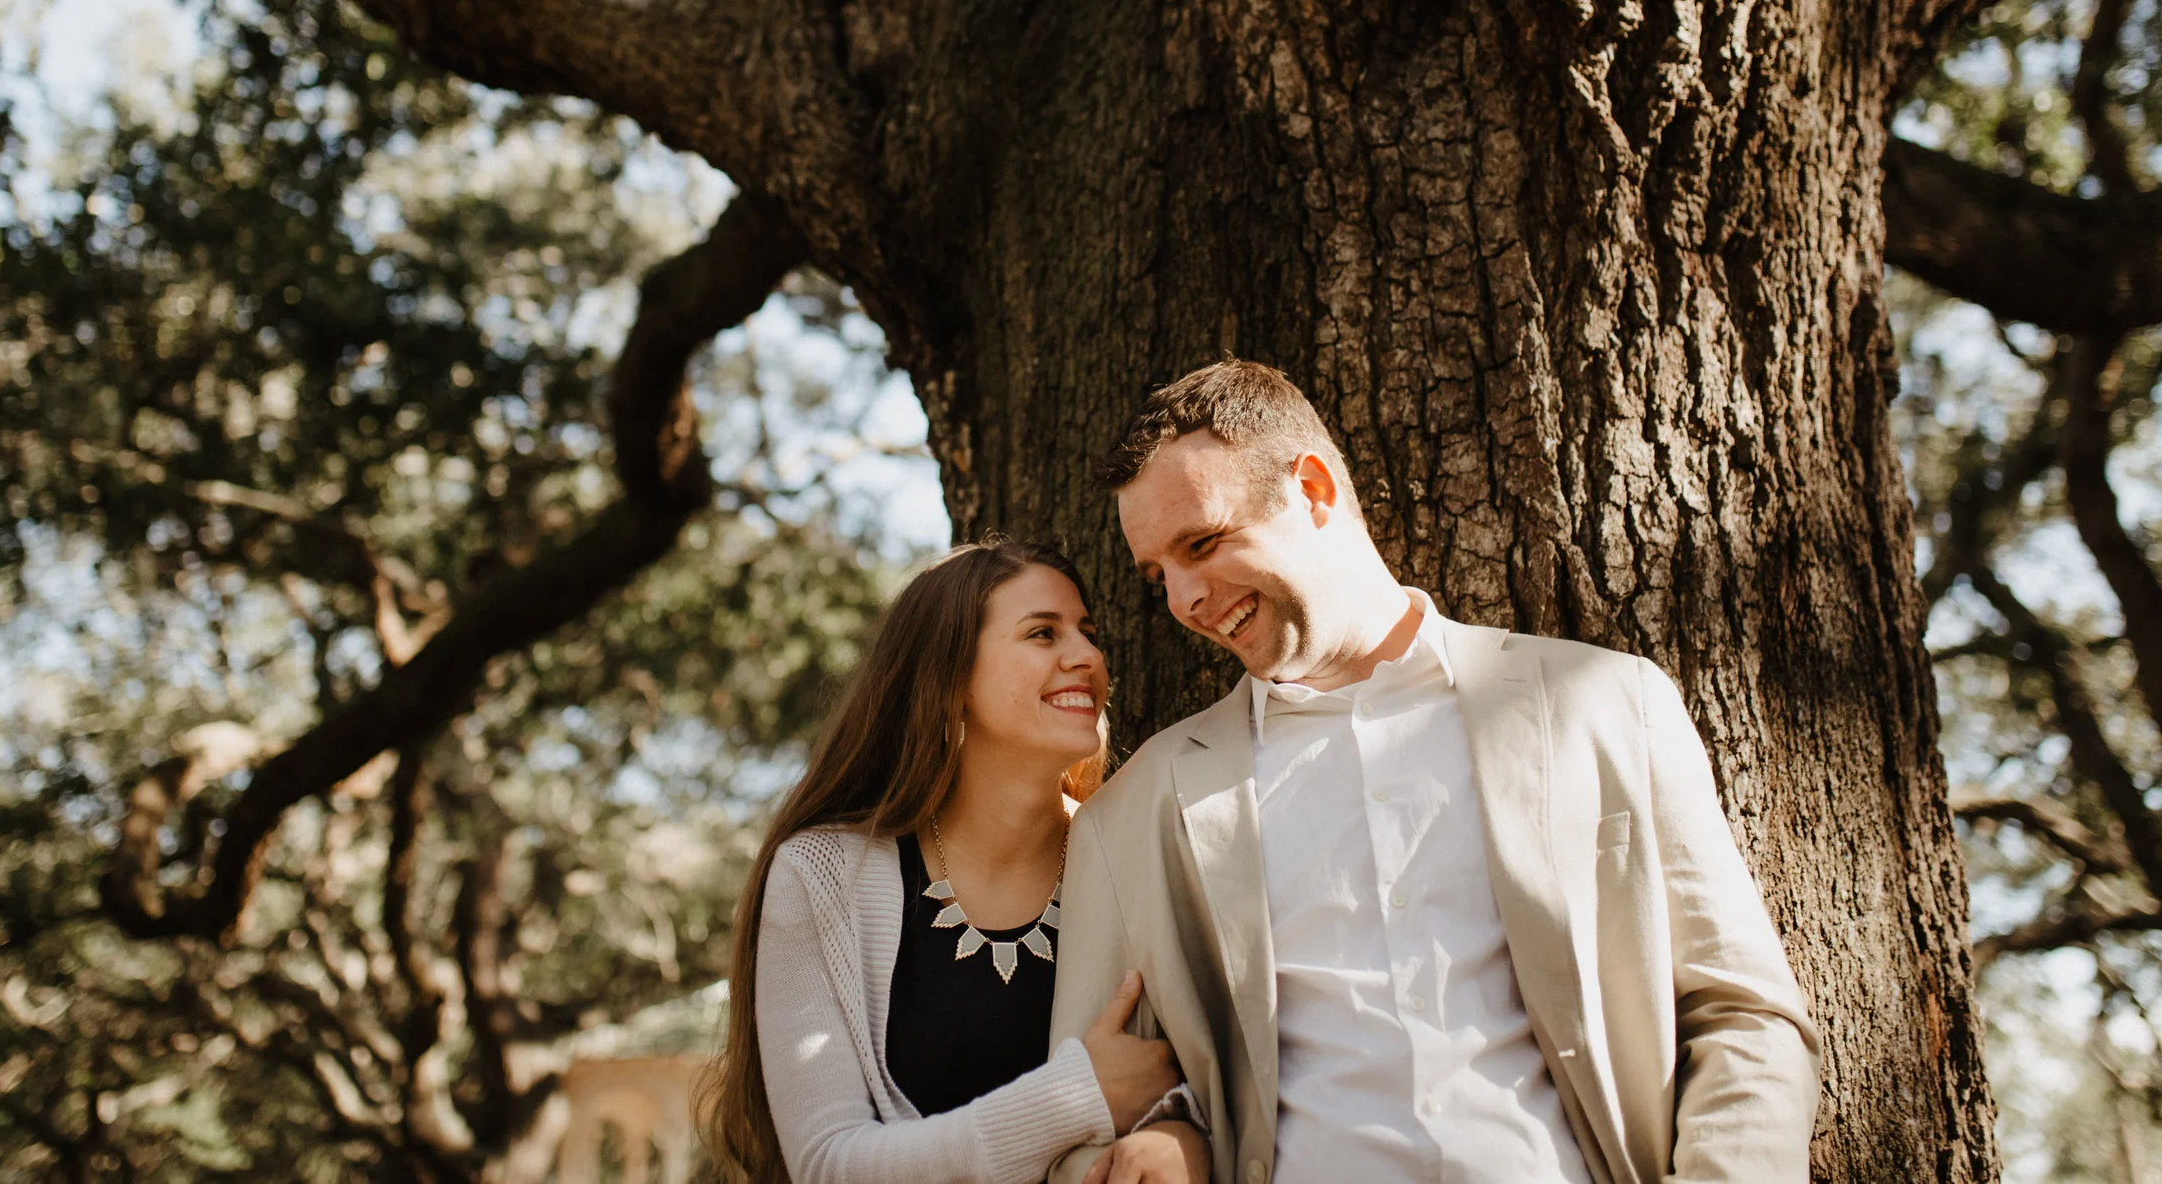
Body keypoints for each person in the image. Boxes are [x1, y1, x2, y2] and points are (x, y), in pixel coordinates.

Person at [1048, 360, 1821, 1184]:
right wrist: (1175, 1140)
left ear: (1312, 489)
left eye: (1202, 542)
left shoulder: (1608, 703)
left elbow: (1746, 1017)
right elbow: (1082, 1126)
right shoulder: (1127, 816)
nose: (1186, 599)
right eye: (1158, 574)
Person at [707, 538, 1207, 1184]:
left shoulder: (1141, 857)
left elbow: (1218, 1068)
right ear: (948, 676)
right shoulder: (823, 875)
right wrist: (1073, 1098)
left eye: (1087, 631)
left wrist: (1183, 1135)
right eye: (1042, 633)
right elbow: (829, 1164)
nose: (1087, 655)